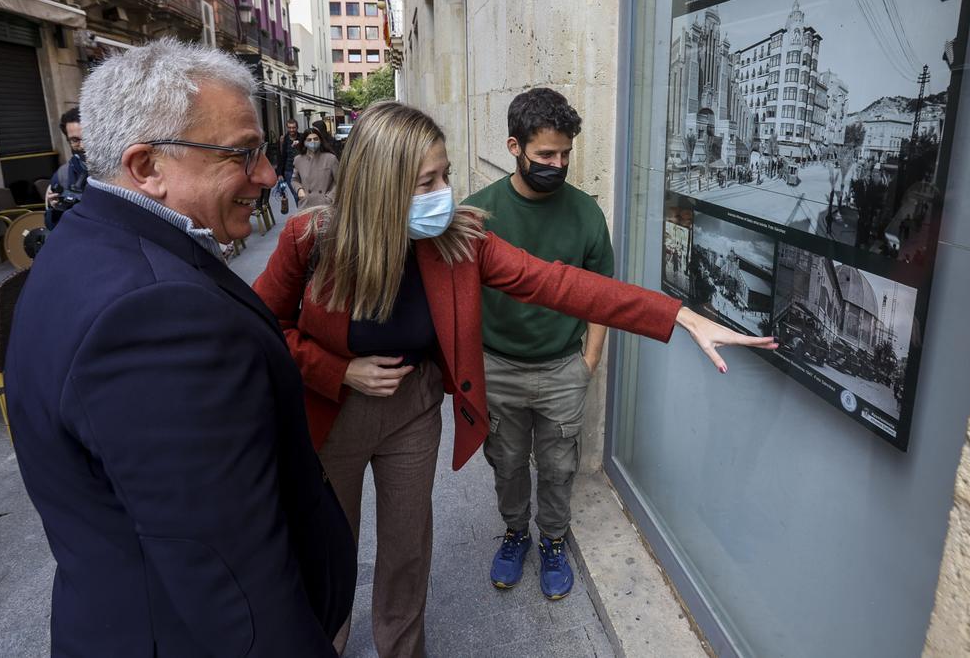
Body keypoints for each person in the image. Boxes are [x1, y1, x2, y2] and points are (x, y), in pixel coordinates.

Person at [253, 102, 775, 658]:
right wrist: (338, 370)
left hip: (413, 411)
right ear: (381, 185)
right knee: (331, 546)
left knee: (407, 549)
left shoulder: (460, 241)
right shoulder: (311, 239)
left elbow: (560, 284)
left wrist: (679, 316)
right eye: (427, 182)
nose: (445, 194)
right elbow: (261, 329)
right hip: (332, 412)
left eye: (446, 175)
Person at [6, 39, 356, 656]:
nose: (266, 176)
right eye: (243, 153)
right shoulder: (156, 313)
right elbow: (226, 571)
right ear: (147, 167)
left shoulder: (87, 239)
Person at [462, 87, 617, 599]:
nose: (558, 164)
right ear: (515, 147)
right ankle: (515, 533)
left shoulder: (586, 213)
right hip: (498, 368)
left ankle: (553, 539)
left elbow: (604, 295)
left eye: (566, 154)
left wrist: (589, 360)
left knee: (558, 467)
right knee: (507, 464)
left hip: (562, 370)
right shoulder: (479, 213)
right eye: (546, 155)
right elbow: (458, 297)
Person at [44, 107, 89, 230]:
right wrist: (55, 209)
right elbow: (53, 228)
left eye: (87, 137)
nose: (83, 145)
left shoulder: (124, 169)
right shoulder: (62, 176)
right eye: (75, 140)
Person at [293, 125, 339, 208]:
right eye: (309, 140)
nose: (313, 142)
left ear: (320, 141)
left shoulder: (331, 158)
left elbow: (339, 181)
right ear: (304, 142)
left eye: (315, 139)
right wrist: (299, 189)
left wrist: (330, 197)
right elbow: (294, 180)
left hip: (325, 205)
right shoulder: (298, 160)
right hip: (306, 204)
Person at [274, 118, 302, 212]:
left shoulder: (302, 138)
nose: (291, 130)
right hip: (289, 170)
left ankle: (305, 210)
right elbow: (280, 157)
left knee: (304, 193)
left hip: (302, 170)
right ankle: (302, 212)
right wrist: (279, 174)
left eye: (293, 127)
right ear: (287, 128)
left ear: (297, 127)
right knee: (296, 194)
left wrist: (299, 146)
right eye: (290, 128)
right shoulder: (283, 140)